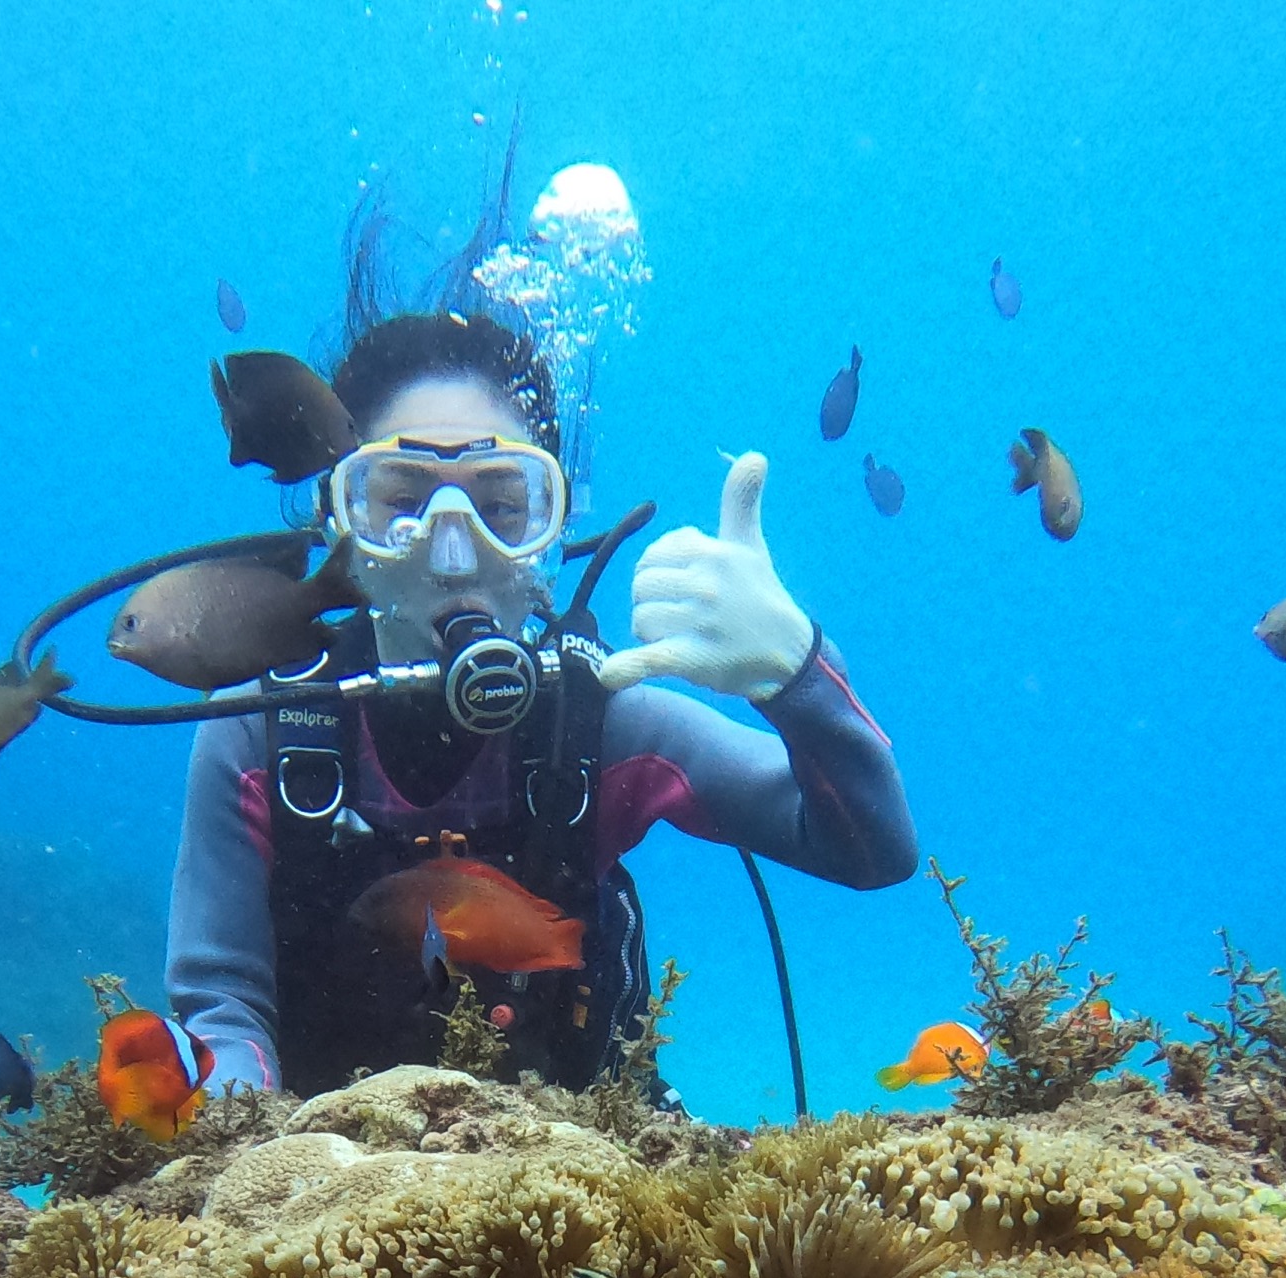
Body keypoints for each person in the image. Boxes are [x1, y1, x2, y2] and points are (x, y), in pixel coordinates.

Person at [166, 305, 916, 1098]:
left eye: (501, 508)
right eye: (401, 501)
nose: (451, 555)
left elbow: (872, 850)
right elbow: (222, 1007)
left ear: (551, 536)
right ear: (338, 518)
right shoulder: (261, 733)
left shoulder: (603, 717)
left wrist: (797, 674)